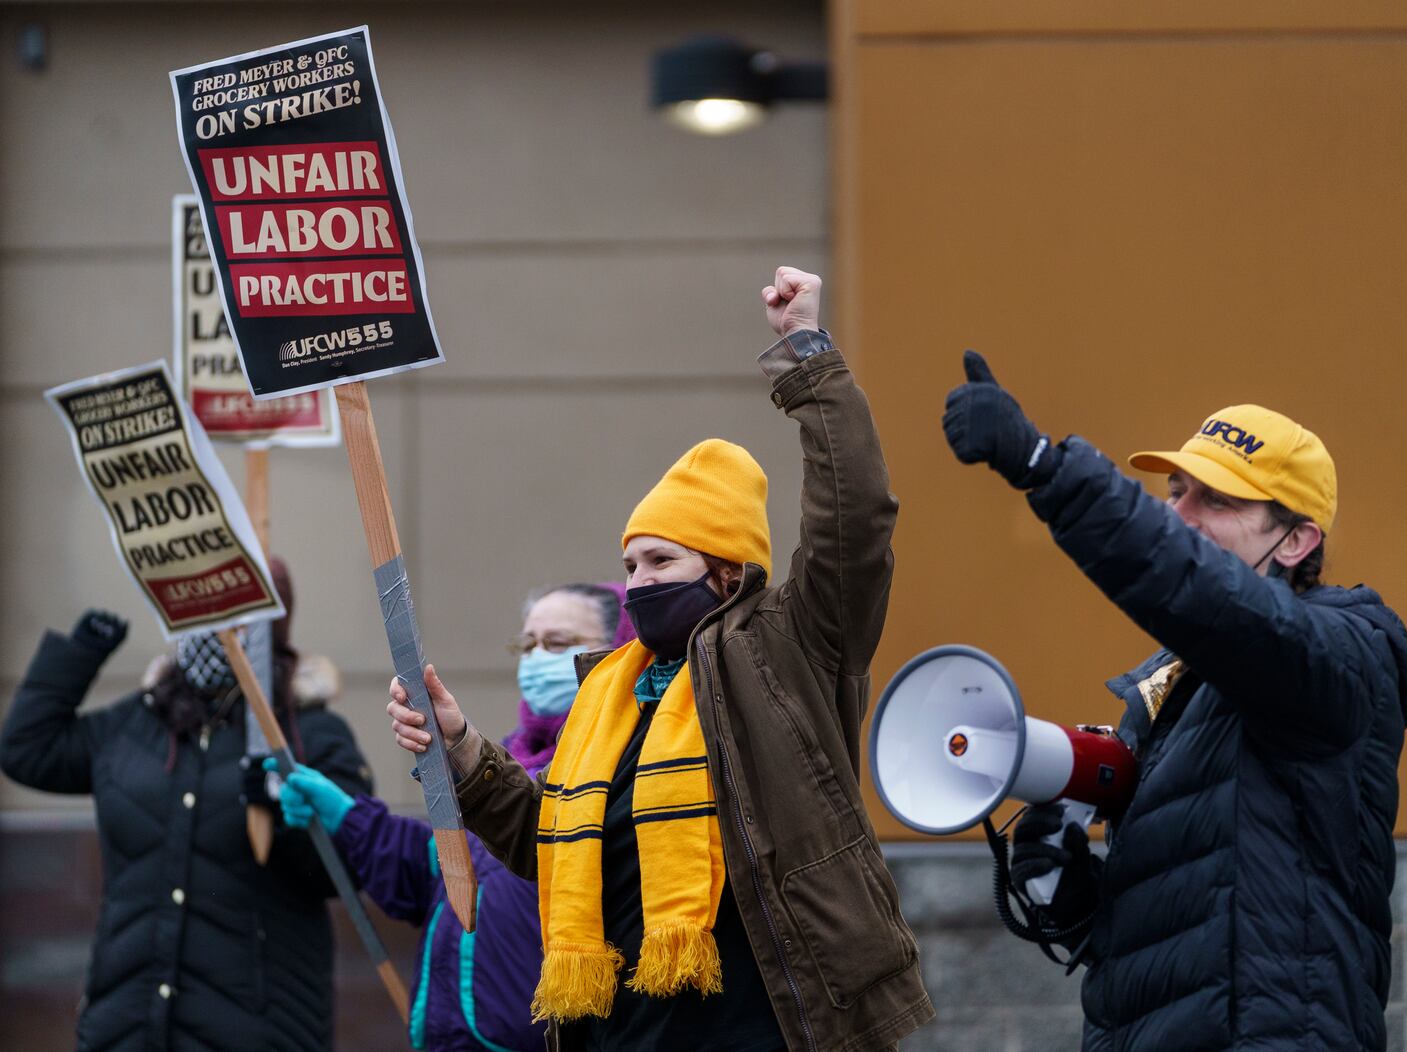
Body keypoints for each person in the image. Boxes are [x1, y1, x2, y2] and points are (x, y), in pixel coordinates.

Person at [387, 267, 933, 1051]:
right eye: (631, 564)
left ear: (726, 572)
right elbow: (552, 849)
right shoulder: (612, 695)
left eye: (659, 563)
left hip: (761, 1030)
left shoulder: (786, 649)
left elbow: (857, 519)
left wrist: (807, 356)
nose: (636, 584)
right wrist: (465, 750)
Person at [941, 352, 1407, 1051]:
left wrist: (1047, 466)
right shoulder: (1173, 695)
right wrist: (1064, 882)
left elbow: (1205, 593)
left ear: (1297, 540)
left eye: (1218, 501)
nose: (1182, 515)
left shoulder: (1347, 656)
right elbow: (1169, 940)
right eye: (1176, 492)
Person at [0, 558, 371, 1052]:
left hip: (257, 1032)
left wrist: (287, 814)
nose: (214, 628)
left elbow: (349, 865)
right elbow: (28, 751)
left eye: (233, 615)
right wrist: (82, 652)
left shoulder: (311, 734)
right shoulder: (139, 722)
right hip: (125, 1026)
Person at [269, 582, 634, 1052]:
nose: (537, 659)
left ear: (618, 650)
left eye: (558, 644)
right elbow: (444, 867)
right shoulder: (503, 767)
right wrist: (347, 816)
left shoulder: (619, 768)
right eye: (527, 644)